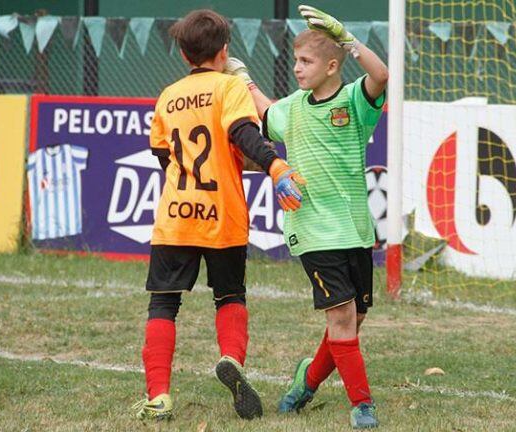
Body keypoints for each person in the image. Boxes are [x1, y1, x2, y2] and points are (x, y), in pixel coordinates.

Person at [131, 9, 305, 422]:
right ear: (225, 51)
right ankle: (231, 358)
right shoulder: (230, 87)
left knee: (163, 303)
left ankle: (159, 397)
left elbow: (163, 155)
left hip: (175, 216)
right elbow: (243, 135)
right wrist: (275, 166)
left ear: (182, 54)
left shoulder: (168, 95)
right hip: (222, 215)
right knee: (229, 295)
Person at [224, 4, 388, 429]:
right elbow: (263, 110)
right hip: (312, 229)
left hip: (355, 227)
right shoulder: (292, 108)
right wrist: (241, 76)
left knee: (354, 320)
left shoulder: (354, 100)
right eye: (295, 60)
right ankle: (362, 406)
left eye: (306, 61)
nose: (297, 68)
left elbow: (381, 75)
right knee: (341, 317)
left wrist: (349, 39)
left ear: (333, 65)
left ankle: (307, 381)